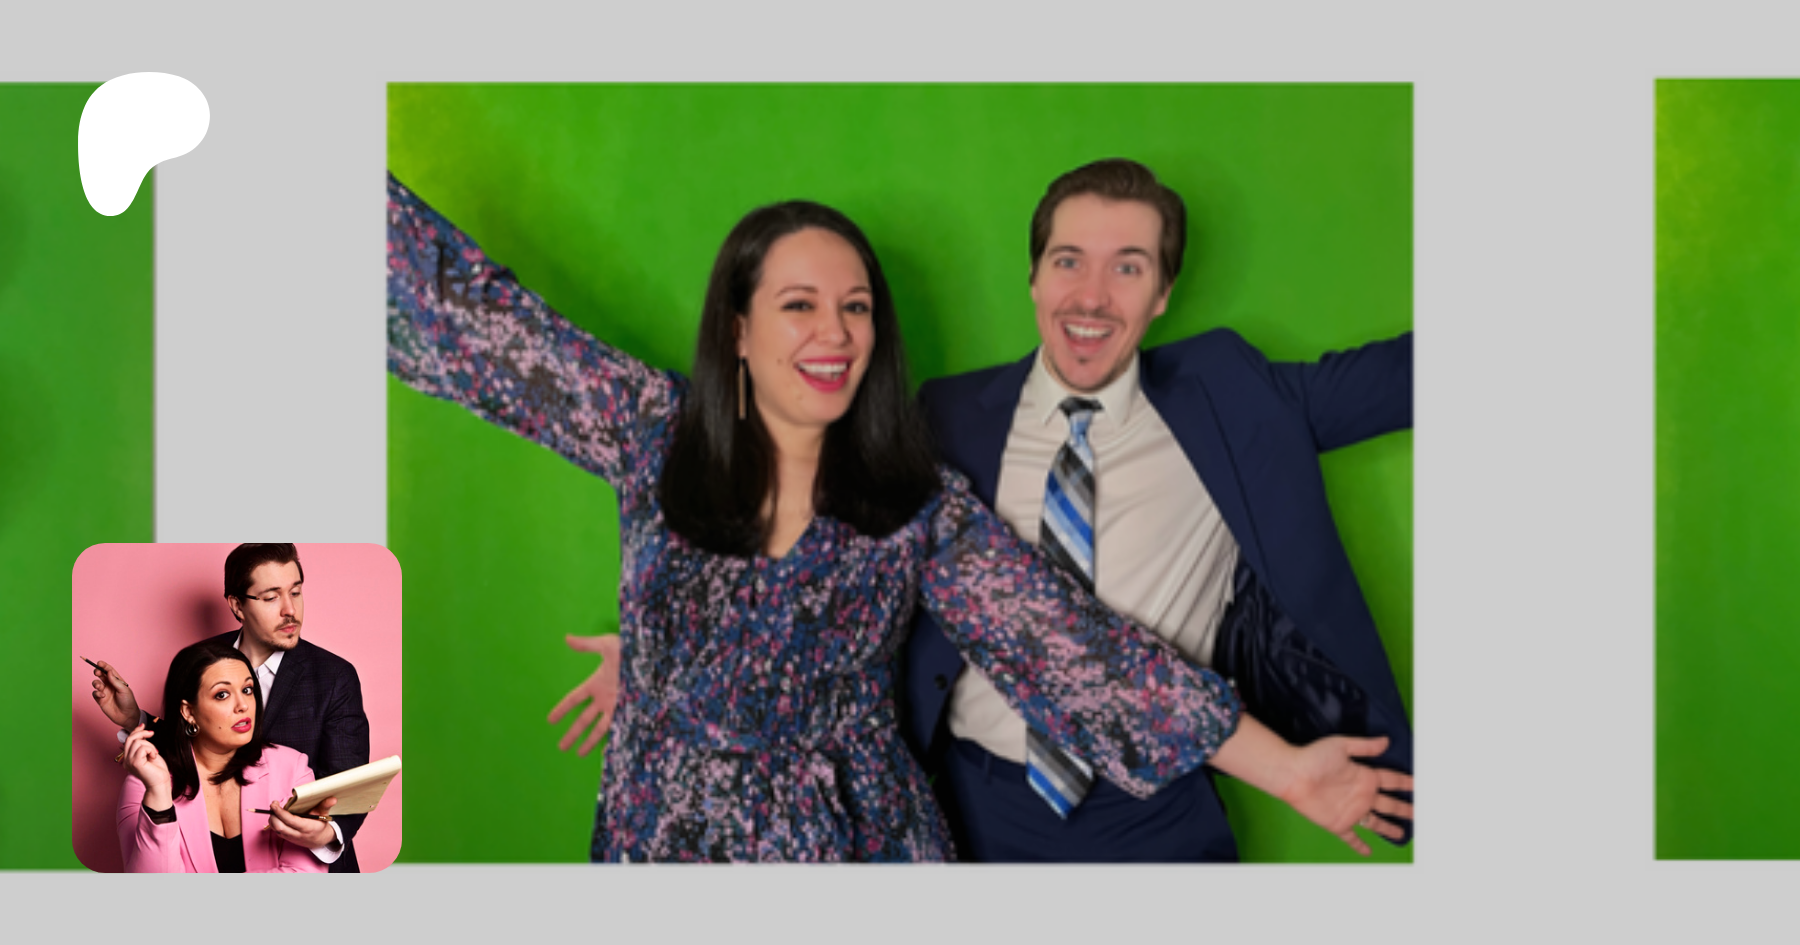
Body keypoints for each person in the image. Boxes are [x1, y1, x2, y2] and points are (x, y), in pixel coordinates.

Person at [386, 171, 1411, 862]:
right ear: (737, 328)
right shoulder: (650, 429)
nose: (833, 333)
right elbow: (464, 315)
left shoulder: (917, 503)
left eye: (856, 307)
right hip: (669, 835)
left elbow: (1074, 652)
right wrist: (664, 660)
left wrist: (1291, 772)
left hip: (858, 842)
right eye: (798, 304)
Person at [901, 157, 1415, 861]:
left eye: (1128, 267)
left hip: (1159, 811)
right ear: (1034, 276)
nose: (1091, 297)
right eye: (1068, 261)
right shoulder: (947, 414)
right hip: (977, 803)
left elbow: (1404, 378)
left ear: (1164, 292)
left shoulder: (1232, 399)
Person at [89, 543, 371, 871]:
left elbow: (348, 782)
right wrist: (135, 719)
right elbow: (193, 743)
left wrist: (326, 832)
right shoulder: (203, 658)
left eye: (295, 592)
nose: (290, 609)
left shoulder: (334, 676)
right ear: (237, 605)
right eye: (271, 597)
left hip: (308, 859)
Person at [114, 640, 330, 872]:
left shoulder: (292, 769)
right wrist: (158, 793)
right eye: (222, 694)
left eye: (247, 690)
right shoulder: (144, 785)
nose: (243, 705)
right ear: (189, 711)